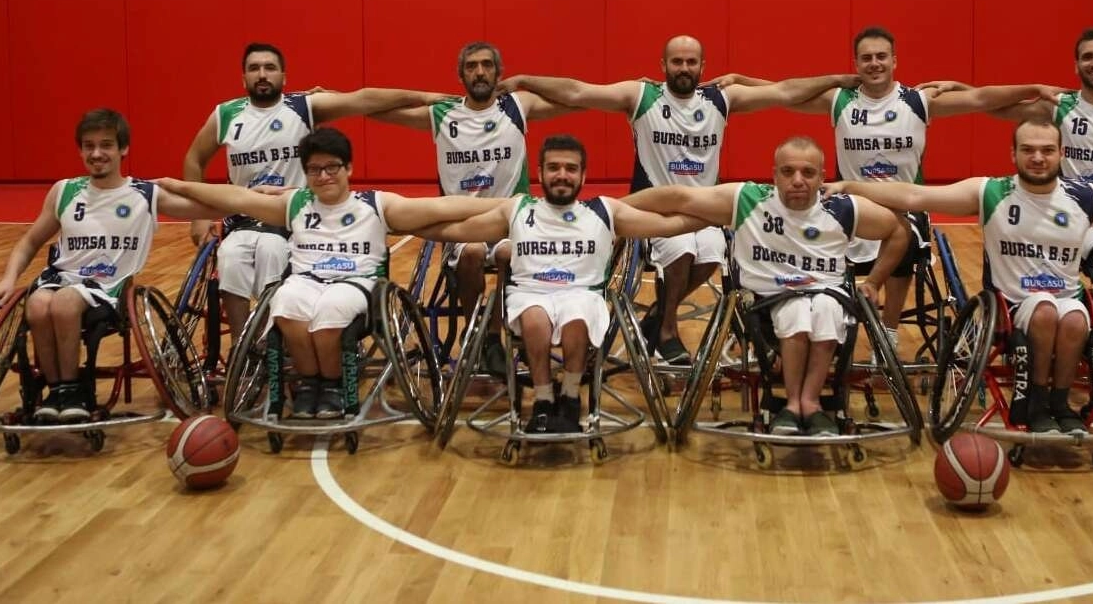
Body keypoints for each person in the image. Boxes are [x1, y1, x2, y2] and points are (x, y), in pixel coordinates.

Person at [502, 35, 858, 365]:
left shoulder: (720, 98)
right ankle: (667, 331)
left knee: (712, 253)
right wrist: (526, 80)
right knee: (682, 249)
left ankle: (659, 315)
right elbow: (578, 91)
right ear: (663, 65)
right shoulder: (642, 96)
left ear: (703, 66)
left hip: (705, 210)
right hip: (656, 210)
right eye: (677, 62)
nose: (684, 68)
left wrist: (837, 79)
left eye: (691, 62)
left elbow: (785, 91)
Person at [717, 25, 1060, 347]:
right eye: (866, 58)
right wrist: (743, 80)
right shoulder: (840, 100)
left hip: (904, 204)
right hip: (851, 204)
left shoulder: (918, 101)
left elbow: (982, 98)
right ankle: (829, 323)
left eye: (881, 56)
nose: (874, 63)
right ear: (856, 64)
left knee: (904, 238)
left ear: (895, 60)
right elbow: (785, 94)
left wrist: (1033, 89)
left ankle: (889, 331)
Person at [160, 127, 497, 419]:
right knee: (286, 303)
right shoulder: (295, 203)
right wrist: (179, 185)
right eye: (314, 169)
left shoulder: (376, 204)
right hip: (306, 280)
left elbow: (444, 207)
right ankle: (311, 384)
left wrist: (505, 205)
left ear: (348, 167)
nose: (323, 176)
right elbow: (234, 197)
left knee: (331, 308)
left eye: (331, 167)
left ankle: (333, 384)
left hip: (356, 283)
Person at [831, 120, 1093, 434]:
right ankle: (1036, 402)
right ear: (1013, 154)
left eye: (1047, 150)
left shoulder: (1086, 197)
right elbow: (914, 196)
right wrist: (849, 186)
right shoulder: (991, 192)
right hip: (1011, 307)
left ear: (1061, 153)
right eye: (1028, 150)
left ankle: (1059, 404)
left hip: (1066, 300)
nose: (1038, 158)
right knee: (1045, 311)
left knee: (1075, 318)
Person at [419, 134, 708, 434]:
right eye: (553, 167)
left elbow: (667, 225)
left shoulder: (603, 210)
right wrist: (407, 223)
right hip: (531, 293)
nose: (561, 175)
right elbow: (461, 229)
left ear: (583, 176)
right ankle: (543, 399)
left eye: (570, 168)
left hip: (582, 294)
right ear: (540, 173)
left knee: (576, 319)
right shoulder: (519, 209)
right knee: (534, 320)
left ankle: (570, 396)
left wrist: (713, 218)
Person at [624, 136, 908, 436]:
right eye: (787, 171)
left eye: (808, 173)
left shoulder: (843, 208)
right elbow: (678, 197)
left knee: (825, 307)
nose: (797, 180)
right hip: (766, 303)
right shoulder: (749, 200)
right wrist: (610, 210)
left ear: (822, 177)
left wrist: (874, 281)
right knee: (797, 309)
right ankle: (792, 404)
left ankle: (809, 403)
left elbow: (899, 232)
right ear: (774, 175)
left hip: (827, 296)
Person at [182, 42, 438, 353]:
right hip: (244, 218)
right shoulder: (226, 114)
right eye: (254, 68)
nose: (262, 74)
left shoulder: (304, 106)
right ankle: (242, 347)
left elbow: (363, 99)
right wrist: (198, 217)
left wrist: (425, 97)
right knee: (230, 256)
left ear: (283, 76)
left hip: (292, 218)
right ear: (243, 77)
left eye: (269, 68)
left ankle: (273, 342)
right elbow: (194, 159)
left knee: (272, 250)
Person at [0, 110, 212, 422]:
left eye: (106, 145)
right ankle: (57, 392)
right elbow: (29, 242)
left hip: (109, 287)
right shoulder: (65, 191)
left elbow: (205, 206)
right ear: (80, 150)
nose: (96, 154)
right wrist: (8, 279)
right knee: (37, 304)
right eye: (88, 146)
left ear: (123, 149)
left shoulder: (144, 193)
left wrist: (253, 199)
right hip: (62, 278)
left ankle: (74, 391)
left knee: (65, 303)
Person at [371, 41, 575, 376]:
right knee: (473, 252)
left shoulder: (517, 106)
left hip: (509, 223)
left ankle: (491, 335)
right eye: (471, 66)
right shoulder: (442, 114)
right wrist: (421, 97)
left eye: (486, 65)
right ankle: (471, 331)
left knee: (509, 253)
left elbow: (574, 98)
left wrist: (526, 80)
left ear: (498, 72)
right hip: (463, 224)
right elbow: (374, 109)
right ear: (460, 74)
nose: (479, 72)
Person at [991, 28, 1093, 304]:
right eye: (1087, 57)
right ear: (1076, 65)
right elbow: (994, 106)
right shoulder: (1059, 106)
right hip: (1078, 210)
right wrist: (960, 89)